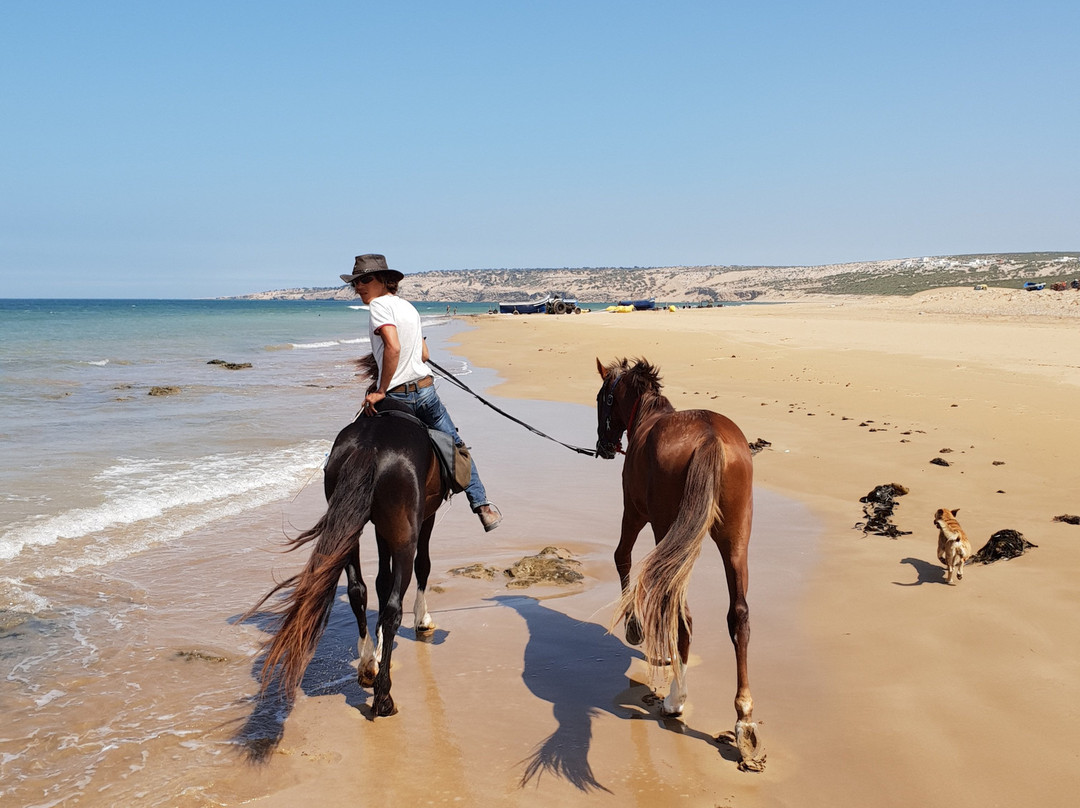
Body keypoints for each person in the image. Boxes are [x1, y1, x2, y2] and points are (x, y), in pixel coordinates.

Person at [341, 253, 502, 532]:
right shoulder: (409, 308)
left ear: (384, 281)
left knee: (354, 446)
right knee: (455, 446)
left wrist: (380, 390)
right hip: (427, 395)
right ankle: (483, 506)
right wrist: (411, 359)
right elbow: (425, 353)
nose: (358, 287)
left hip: (397, 396)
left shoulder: (379, 306)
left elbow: (392, 347)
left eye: (365, 280)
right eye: (355, 283)